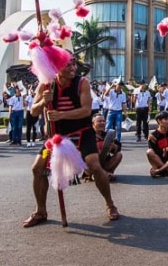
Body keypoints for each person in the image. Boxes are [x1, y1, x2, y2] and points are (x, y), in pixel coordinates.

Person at [23, 58, 119, 227]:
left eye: (73, 64)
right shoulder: (45, 84)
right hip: (56, 136)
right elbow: (33, 111)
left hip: (81, 133)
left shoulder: (82, 83)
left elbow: (86, 110)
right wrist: (44, 101)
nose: (72, 67)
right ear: (56, 66)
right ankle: (40, 211)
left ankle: (110, 204)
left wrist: (60, 115)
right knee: (37, 168)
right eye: (67, 64)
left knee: (94, 165)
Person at [90, 113, 123, 181]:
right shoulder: (88, 135)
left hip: (104, 162)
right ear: (93, 123)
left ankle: (105, 173)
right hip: (92, 163)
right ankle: (96, 174)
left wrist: (114, 147)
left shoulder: (108, 135)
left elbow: (119, 147)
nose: (102, 123)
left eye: (103, 121)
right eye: (99, 121)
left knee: (119, 155)